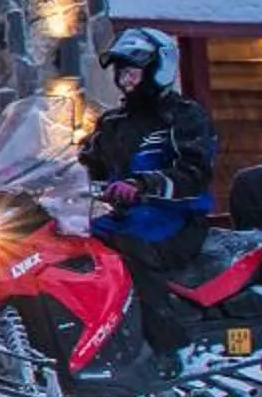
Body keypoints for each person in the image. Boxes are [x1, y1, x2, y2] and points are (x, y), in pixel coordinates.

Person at [79, 25, 218, 363]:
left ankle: (166, 348)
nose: (126, 80)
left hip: (175, 220)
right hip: (125, 217)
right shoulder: (112, 122)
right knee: (74, 246)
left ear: (159, 70)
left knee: (128, 251)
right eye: (121, 73)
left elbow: (195, 172)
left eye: (133, 72)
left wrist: (144, 185)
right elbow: (86, 163)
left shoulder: (183, 116)